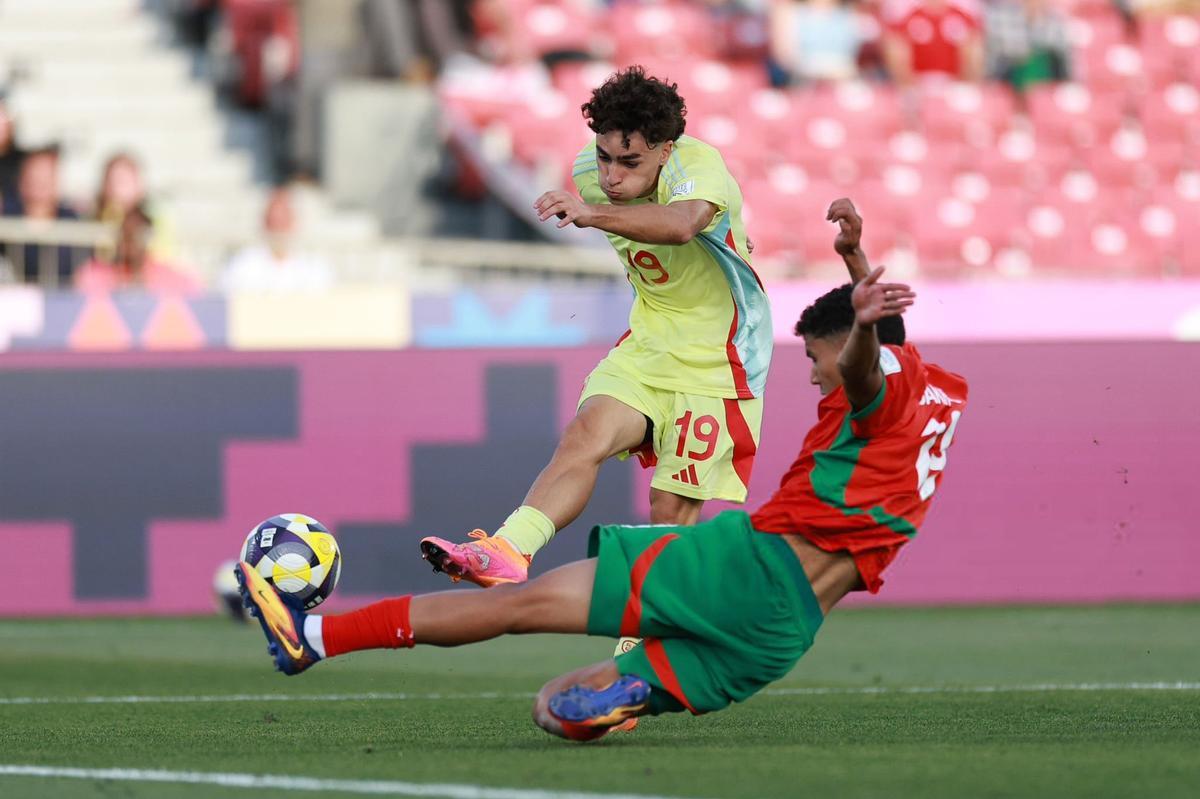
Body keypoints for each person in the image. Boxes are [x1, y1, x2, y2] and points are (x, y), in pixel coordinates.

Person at [237, 199, 969, 742]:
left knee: (517, 606)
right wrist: (856, 264)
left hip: (743, 567)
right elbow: (883, 343)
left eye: (813, 359)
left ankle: (316, 638)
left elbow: (863, 369)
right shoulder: (936, 393)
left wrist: (859, 324)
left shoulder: (874, 383)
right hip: (783, 635)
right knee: (553, 706)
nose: (811, 375)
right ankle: (625, 694)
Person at [418, 66, 773, 598]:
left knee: (669, 510)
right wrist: (599, 206)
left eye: (630, 163)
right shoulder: (587, 171)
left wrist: (594, 214)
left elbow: (681, 225)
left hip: (721, 360)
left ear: (666, 150)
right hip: (649, 343)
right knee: (585, 434)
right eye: (605, 156)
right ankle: (509, 551)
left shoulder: (697, 165)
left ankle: (654, 632)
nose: (610, 176)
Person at [219, 186, 334, 293]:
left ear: (295, 221)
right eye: (273, 219)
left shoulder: (315, 267)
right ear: (264, 222)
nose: (278, 226)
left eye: (284, 218)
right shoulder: (242, 264)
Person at [0, 145, 84, 286]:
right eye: (35, 174)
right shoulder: (6, 216)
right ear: (22, 179)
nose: (39, 182)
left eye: (45, 175)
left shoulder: (72, 220)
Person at [74, 204, 197, 294]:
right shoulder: (94, 274)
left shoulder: (170, 277)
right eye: (126, 235)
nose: (130, 243)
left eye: (137, 236)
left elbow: (194, 290)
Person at [882, 0, 984, 86]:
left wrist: (964, 84)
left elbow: (973, 54)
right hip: (917, 83)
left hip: (954, 84)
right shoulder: (907, 13)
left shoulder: (963, 13)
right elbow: (897, 52)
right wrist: (908, 85)